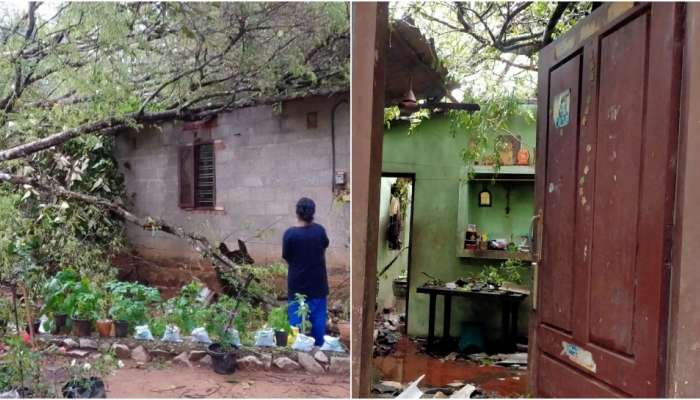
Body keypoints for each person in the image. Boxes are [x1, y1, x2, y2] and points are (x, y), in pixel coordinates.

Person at [282, 197, 329, 346]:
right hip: (318, 284)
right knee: (318, 320)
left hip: (297, 285)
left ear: (297, 213)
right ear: (313, 212)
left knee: (295, 321)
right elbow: (324, 246)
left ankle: (296, 350)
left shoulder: (290, 234)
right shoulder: (319, 231)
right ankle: (319, 350)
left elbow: (287, 256)